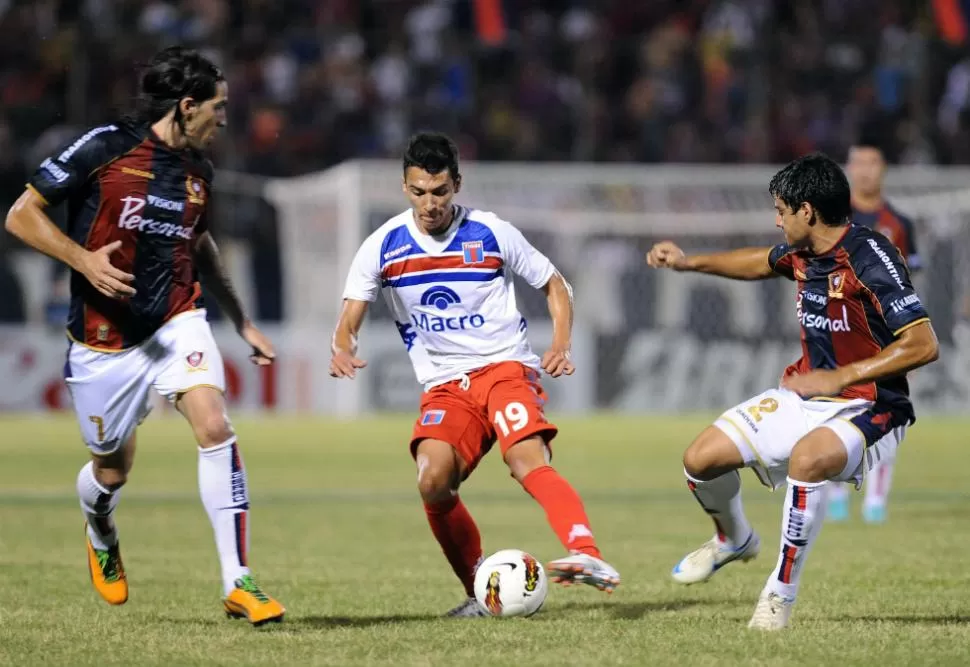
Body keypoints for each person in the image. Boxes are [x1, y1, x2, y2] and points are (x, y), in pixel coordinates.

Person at [4, 46, 285, 626]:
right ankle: (100, 525)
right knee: (111, 470)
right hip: (103, 339)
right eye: (219, 106)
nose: (225, 118)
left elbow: (199, 243)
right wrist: (82, 259)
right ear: (187, 106)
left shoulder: (199, 173)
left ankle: (239, 581)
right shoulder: (106, 146)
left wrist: (241, 319)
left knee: (215, 425)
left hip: (175, 319)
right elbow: (21, 215)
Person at [330, 132, 620, 617]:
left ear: (457, 185)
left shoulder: (490, 232)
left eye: (439, 191)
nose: (430, 204)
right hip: (446, 385)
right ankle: (478, 594)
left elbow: (555, 283)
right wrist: (343, 346)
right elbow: (349, 317)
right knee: (432, 480)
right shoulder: (382, 246)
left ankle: (587, 554)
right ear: (404, 186)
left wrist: (560, 343)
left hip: (504, 368)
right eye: (419, 191)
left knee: (527, 459)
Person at [645, 153, 938, 630]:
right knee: (698, 461)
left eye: (781, 209)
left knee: (808, 460)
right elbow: (760, 262)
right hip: (805, 395)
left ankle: (779, 595)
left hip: (871, 404)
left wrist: (842, 377)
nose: (775, 219)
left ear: (808, 211)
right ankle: (733, 538)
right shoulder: (803, 253)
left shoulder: (871, 257)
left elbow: (924, 344)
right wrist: (687, 262)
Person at [826, 137, 923, 523]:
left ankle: (876, 501)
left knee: (888, 414)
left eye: (872, 162)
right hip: (840, 331)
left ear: (883, 169)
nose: (865, 170)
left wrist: (912, 338)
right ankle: (834, 492)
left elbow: (909, 284)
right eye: (859, 163)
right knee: (833, 412)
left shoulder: (899, 224)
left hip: (886, 337)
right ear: (849, 170)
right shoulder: (831, 217)